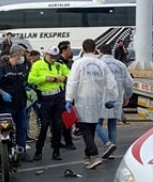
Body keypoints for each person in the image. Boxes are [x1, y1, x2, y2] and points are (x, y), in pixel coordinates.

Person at [66, 39, 113, 169]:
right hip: (97, 99)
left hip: (82, 98)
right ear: (95, 48)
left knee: (84, 127)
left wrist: (69, 99)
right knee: (91, 126)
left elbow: (72, 82)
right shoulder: (101, 64)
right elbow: (111, 81)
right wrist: (112, 98)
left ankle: (94, 154)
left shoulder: (78, 64)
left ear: (83, 48)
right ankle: (87, 156)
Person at [29, 46, 69, 161]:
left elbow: (70, 74)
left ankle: (56, 151)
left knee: (57, 126)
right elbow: (31, 79)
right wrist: (44, 78)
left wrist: (65, 77)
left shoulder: (59, 64)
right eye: (51, 57)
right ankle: (38, 151)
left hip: (58, 97)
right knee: (44, 126)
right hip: (45, 98)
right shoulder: (37, 65)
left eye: (55, 57)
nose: (53, 59)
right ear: (46, 54)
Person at [0, 44, 30, 160]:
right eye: (22, 55)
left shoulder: (22, 68)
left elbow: (24, 82)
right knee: (6, 129)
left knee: (22, 128)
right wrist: (3, 93)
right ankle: (6, 152)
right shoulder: (3, 69)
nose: (23, 57)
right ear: (16, 55)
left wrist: (28, 88)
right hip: (8, 106)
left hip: (21, 104)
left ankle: (21, 152)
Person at [96, 43, 133, 159]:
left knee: (96, 123)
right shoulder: (120, 65)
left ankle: (108, 143)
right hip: (116, 99)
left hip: (100, 99)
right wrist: (127, 96)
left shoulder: (98, 64)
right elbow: (129, 83)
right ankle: (110, 152)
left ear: (100, 52)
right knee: (112, 125)